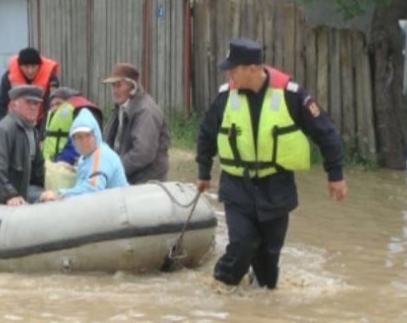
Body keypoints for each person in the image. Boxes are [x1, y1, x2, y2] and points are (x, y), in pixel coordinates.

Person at [196, 38, 348, 290]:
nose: (229, 74)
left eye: (234, 69)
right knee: (242, 244)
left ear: (253, 68)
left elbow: (326, 132)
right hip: (237, 185)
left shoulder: (292, 95)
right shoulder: (226, 96)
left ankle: (260, 306)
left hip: (276, 186)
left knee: (269, 264)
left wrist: (336, 174)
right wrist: (203, 171)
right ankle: (220, 288)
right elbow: (206, 133)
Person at [102, 63, 170, 184]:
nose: (115, 90)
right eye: (113, 85)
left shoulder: (145, 111)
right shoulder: (122, 108)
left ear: (132, 87)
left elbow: (143, 153)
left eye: (119, 85)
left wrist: (113, 169)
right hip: (129, 180)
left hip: (146, 184)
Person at [40, 109, 128, 201]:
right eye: (79, 137)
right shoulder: (87, 156)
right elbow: (90, 170)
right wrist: (74, 168)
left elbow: (93, 189)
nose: (84, 141)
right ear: (73, 140)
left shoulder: (101, 156)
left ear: (96, 135)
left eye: (88, 135)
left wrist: (59, 194)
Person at [0, 47, 60, 127]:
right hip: (16, 122)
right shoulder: (9, 76)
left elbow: (51, 107)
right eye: (26, 67)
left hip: (40, 121)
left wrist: (42, 133)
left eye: (33, 66)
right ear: (20, 66)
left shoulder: (51, 78)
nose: (30, 71)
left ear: (39, 66)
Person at [42, 87, 103, 165]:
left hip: (69, 166)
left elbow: (75, 147)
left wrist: (58, 162)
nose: (54, 108)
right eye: (52, 105)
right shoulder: (49, 121)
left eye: (58, 104)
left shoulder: (79, 117)